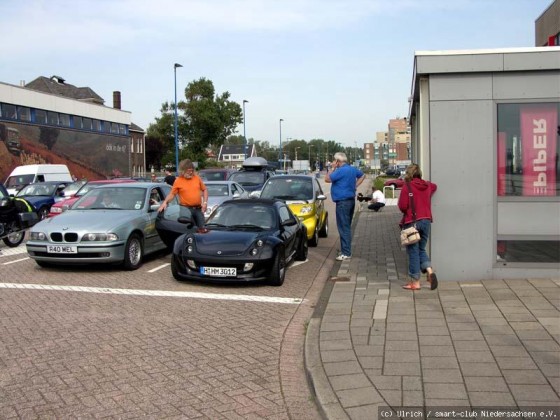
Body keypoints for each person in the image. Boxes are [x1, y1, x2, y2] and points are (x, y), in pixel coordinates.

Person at [397, 163, 438, 291]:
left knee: (413, 252)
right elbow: (435, 186)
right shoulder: (427, 186)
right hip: (426, 221)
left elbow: (402, 206)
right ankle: (430, 271)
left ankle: (415, 282)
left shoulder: (407, 187)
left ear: (408, 174)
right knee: (421, 249)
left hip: (412, 223)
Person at [325, 152, 365, 261]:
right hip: (350, 200)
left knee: (343, 227)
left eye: (334, 160)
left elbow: (327, 179)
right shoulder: (352, 169)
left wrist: (331, 168)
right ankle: (344, 250)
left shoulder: (340, 171)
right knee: (346, 225)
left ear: (338, 161)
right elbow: (362, 175)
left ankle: (346, 253)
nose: (334, 162)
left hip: (342, 202)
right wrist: (355, 186)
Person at [158, 159, 208, 229]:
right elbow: (172, 194)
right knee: (188, 230)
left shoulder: (197, 178)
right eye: (188, 171)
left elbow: (204, 189)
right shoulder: (178, 181)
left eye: (192, 171)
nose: (191, 173)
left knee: (202, 229)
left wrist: (205, 203)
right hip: (185, 209)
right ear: (183, 171)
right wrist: (165, 202)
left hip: (198, 209)